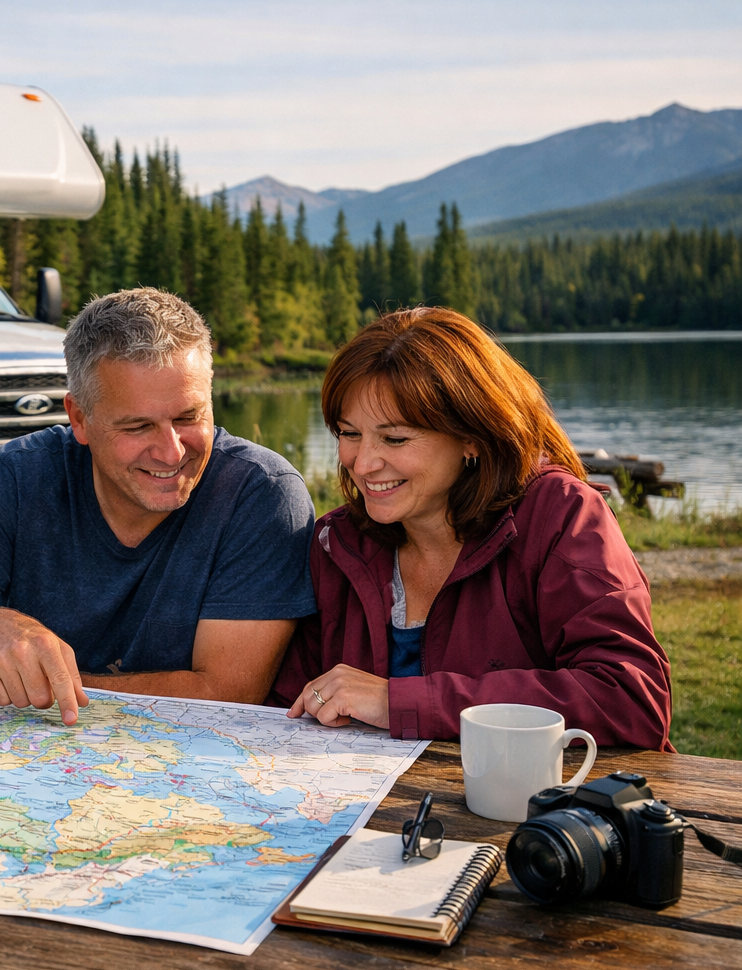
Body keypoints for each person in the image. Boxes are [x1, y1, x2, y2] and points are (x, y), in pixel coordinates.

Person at [0, 287, 316, 724]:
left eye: (188, 417)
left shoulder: (263, 494)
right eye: (138, 426)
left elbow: (225, 695)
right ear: (79, 418)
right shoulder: (19, 476)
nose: (172, 451)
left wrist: (48, 683)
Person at [267, 307, 672, 749]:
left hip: (537, 809)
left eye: (396, 438)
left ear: (472, 437)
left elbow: (632, 698)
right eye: (349, 433)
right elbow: (284, 706)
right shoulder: (336, 544)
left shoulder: (562, 516)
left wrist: (399, 701)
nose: (363, 464)